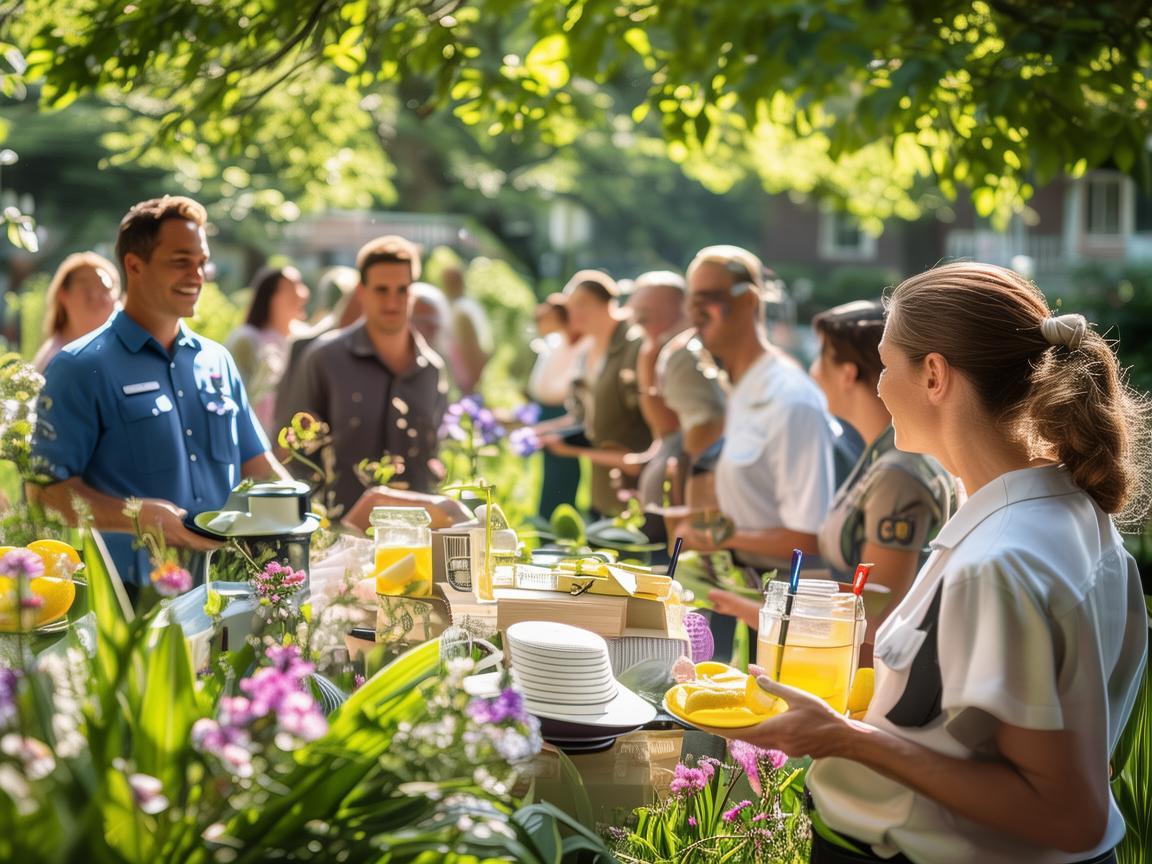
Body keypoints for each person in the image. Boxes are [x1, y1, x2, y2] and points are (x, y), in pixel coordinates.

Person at [730, 262, 1149, 864]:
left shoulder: (998, 560)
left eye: (885, 364)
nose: (877, 387)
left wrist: (842, 739)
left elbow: (1069, 814)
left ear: (933, 375)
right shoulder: (1069, 513)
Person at [29, 196, 287, 589]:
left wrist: (312, 520)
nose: (197, 275)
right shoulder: (79, 367)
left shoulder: (218, 361)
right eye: (181, 261)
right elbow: (44, 496)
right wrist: (138, 517)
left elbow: (260, 467)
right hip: (128, 605)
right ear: (135, 265)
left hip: (227, 593)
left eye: (201, 262)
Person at [709, 299, 956, 659]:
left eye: (821, 356)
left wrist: (753, 609)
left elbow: (874, 619)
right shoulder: (879, 453)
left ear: (847, 373)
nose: (811, 372)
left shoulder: (896, 473)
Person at [676, 245, 844, 572]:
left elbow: (809, 539)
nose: (694, 312)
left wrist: (717, 537)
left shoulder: (790, 400)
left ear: (749, 301)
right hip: (745, 590)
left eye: (707, 298)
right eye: (690, 300)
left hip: (781, 606)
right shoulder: (740, 385)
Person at [280, 235, 447, 516]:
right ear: (361, 292)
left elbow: (434, 457)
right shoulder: (324, 358)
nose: (392, 301)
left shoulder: (430, 368)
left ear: (412, 293)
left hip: (414, 534)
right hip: (338, 534)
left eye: (402, 290)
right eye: (381, 289)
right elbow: (293, 453)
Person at [537, 270, 652, 517]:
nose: (573, 313)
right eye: (570, 306)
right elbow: (583, 416)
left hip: (640, 480)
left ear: (607, 302)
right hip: (603, 484)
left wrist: (571, 449)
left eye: (582, 304)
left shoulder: (636, 345)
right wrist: (546, 430)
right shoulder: (583, 353)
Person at [226, 265, 311, 437]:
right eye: (293, 287)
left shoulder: (303, 337)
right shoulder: (246, 339)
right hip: (254, 439)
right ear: (272, 296)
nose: (303, 294)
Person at [525, 293, 585, 519]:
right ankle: (548, 520)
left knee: (562, 473)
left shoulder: (577, 344)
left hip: (564, 412)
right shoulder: (553, 342)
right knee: (550, 475)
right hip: (545, 410)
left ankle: (560, 519)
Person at [33, 252, 120, 372]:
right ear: (63, 295)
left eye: (106, 288)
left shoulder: (125, 354)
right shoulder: (54, 362)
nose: (97, 295)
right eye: (87, 288)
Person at [441, 264, 492, 395]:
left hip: (466, 384)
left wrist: (475, 384)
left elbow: (470, 348)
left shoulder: (461, 311)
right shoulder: (468, 306)